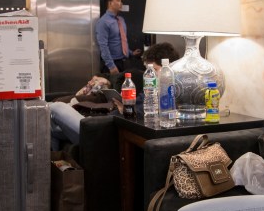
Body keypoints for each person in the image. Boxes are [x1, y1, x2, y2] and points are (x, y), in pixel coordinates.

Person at [49, 43, 179, 150]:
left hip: (104, 133)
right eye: (148, 69)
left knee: (56, 107)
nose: (150, 74)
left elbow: (138, 114)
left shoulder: (169, 94)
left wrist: (125, 108)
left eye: (154, 69)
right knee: (50, 129)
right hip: (101, 125)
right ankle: (54, 173)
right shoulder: (149, 90)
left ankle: (38, 108)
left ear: (169, 68)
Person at [95, 0, 141, 74]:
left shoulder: (121, 20)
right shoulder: (103, 22)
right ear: (110, 3)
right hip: (112, 63)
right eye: (118, 0)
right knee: (114, 86)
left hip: (125, 62)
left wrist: (130, 52)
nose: (121, 3)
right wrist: (111, 66)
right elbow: (103, 46)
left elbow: (121, 40)